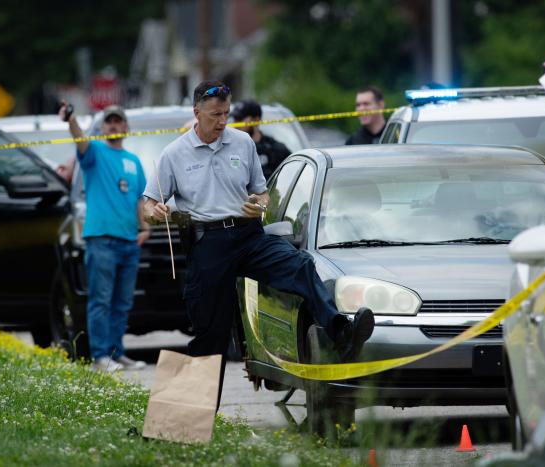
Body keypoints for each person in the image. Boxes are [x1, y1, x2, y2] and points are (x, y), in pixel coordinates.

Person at [141, 80, 375, 405]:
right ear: (196, 113)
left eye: (225, 113)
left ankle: (341, 331)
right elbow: (148, 204)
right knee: (211, 334)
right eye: (214, 115)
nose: (222, 121)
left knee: (300, 265)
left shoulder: (242, 143)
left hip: (249, 235)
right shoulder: (173, 154)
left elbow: (263, 193)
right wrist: (158, 211)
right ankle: (178, 421)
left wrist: (260, 204)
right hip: (208, 243)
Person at [58, 103, 150, 372]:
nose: (113, 125)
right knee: (101, 299)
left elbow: (139, 199)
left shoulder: (133, 162)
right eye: (108, 122)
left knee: (122, 302)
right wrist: (72, 118)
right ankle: (100, 356)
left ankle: (116, 353)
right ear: (101, 128)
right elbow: (79, 139)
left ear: (125, 127)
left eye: (117, 121)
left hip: (129, 241)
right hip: (101, 240)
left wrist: (144, 228)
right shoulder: (94, 152)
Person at [232, 99, 291, 178]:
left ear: (256, 120)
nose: (235, 124)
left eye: (240, 119)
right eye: (235, 119)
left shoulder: (277, 150)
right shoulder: (228, 149)